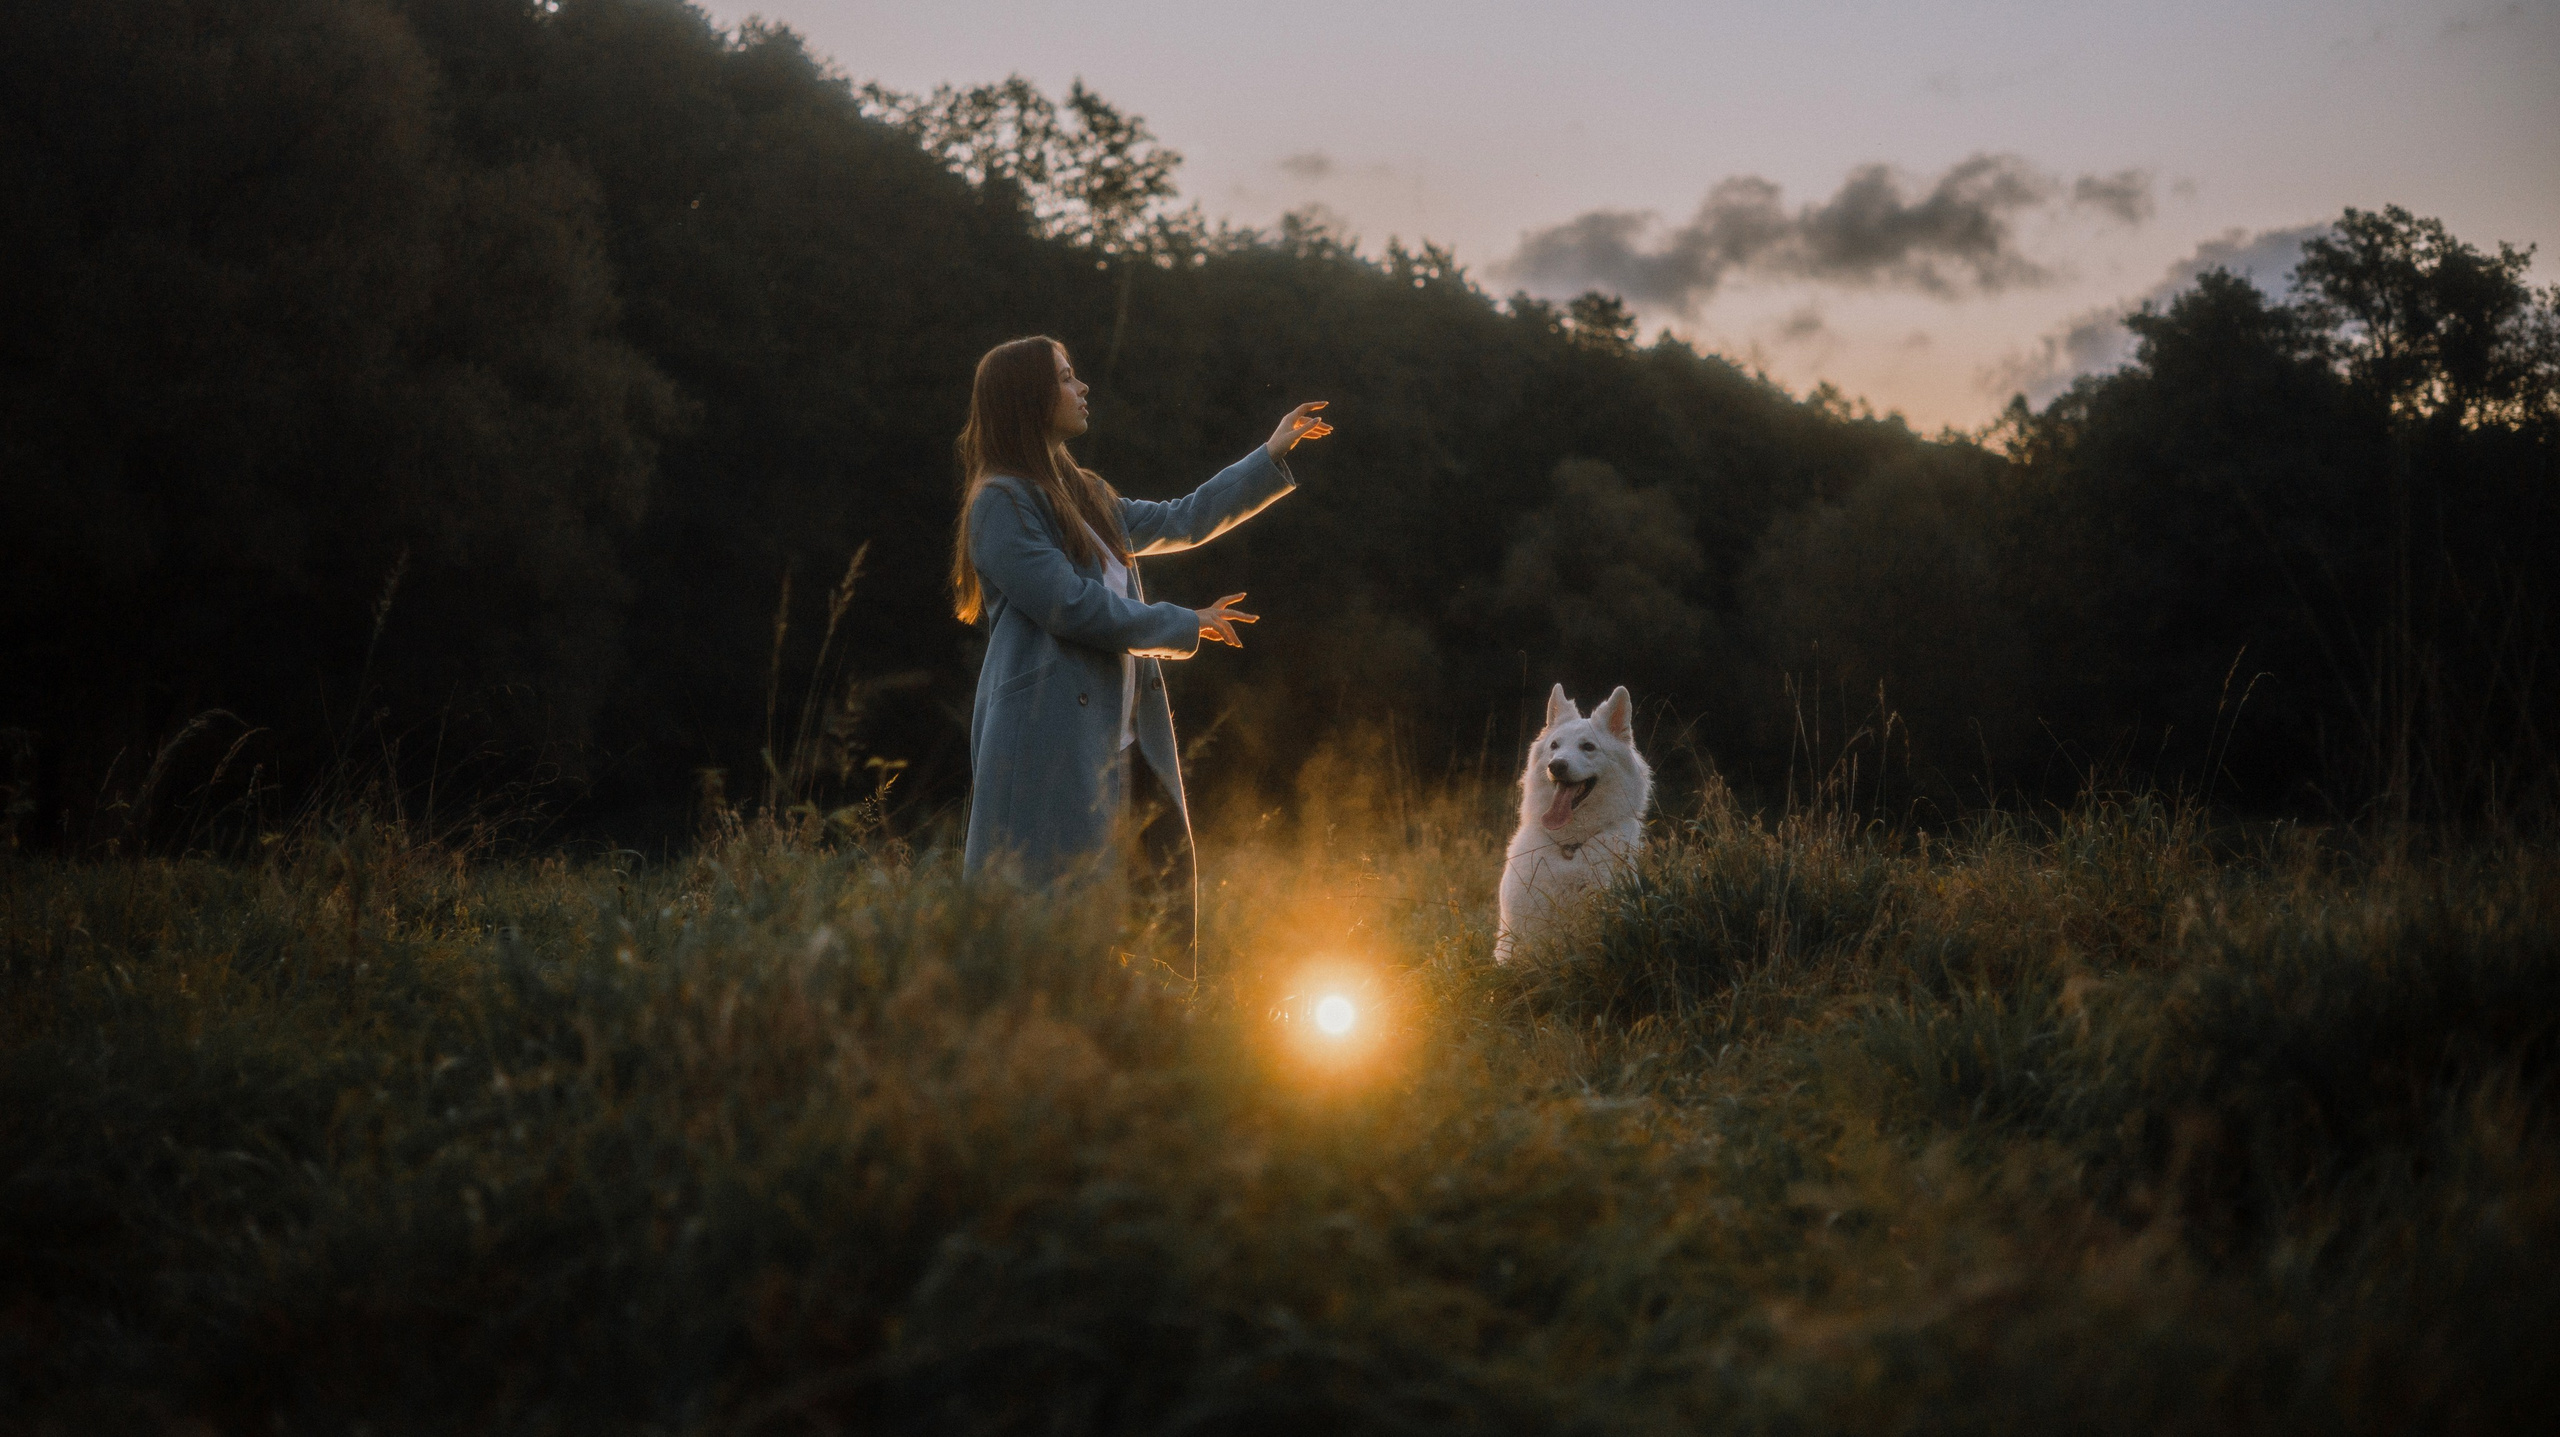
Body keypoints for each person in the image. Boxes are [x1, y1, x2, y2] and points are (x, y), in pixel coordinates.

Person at [951, 335, 1330, 953]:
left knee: (1158, 906)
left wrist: (1270, 450)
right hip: (1049, 743)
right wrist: (1181, 623)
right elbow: (1068, 605)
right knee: (1050, 924)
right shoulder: (998, 503)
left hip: (1124, 737)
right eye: (1067, 378)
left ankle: (1157, 1039)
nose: (1082, 388)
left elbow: (1184, 519)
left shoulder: (1087, 494)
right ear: (1029, 398)